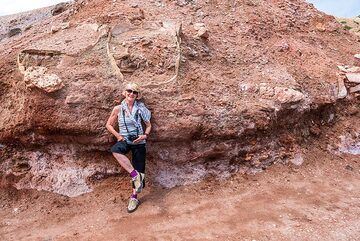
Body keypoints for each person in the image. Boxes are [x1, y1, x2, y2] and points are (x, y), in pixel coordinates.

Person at [106, 82, 151, 213]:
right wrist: (118, 136)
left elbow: (148, 125)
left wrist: (145, 135)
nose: (131, 94)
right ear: (125, 93)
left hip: (139, 141)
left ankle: (134, 197)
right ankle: (134, 174)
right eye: (129, 91)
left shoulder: (141, 109)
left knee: (140, 168)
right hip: (125, 139)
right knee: (115, 150)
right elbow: (108, 125)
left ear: (137, 96)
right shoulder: (118, 109)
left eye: (134, 92)